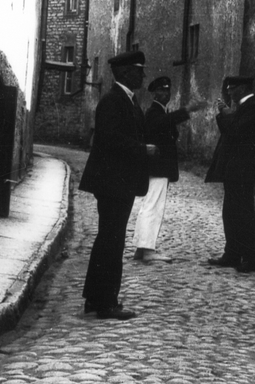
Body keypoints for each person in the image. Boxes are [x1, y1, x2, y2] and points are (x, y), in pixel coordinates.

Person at [79, 50, 155, 319]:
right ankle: (106, 303)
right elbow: (110, 139)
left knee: (109, 239)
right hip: (113, 182)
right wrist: (142, 149)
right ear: (124, 73)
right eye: (138, 71)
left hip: (119, 182)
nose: (143, 76)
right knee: (111, 241)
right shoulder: (113, 101)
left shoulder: (127, 100)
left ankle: (95, 298)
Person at [132, 76, 206, 263]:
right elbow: (164, 122)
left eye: (167, 91)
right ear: (154, 93)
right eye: (161, 91)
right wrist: (186, 110)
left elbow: (168, 124)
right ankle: (147, 250)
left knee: (150, 205)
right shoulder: (154, 112)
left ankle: (141, 248)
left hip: (159, 168)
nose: (165, 94)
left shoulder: (161, 112)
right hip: (157, 167)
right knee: (153, 207)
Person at [205, 75, 255, 273]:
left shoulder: (254, 108)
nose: (229, 92)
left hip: (244, 170)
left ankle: (249, 259)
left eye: (232, 88)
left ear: (243, 88)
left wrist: (225, 113)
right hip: (234, 170)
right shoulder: (242, 107)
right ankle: (232, 254)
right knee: (231, 213)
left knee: (244, 215)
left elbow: (235, 132)